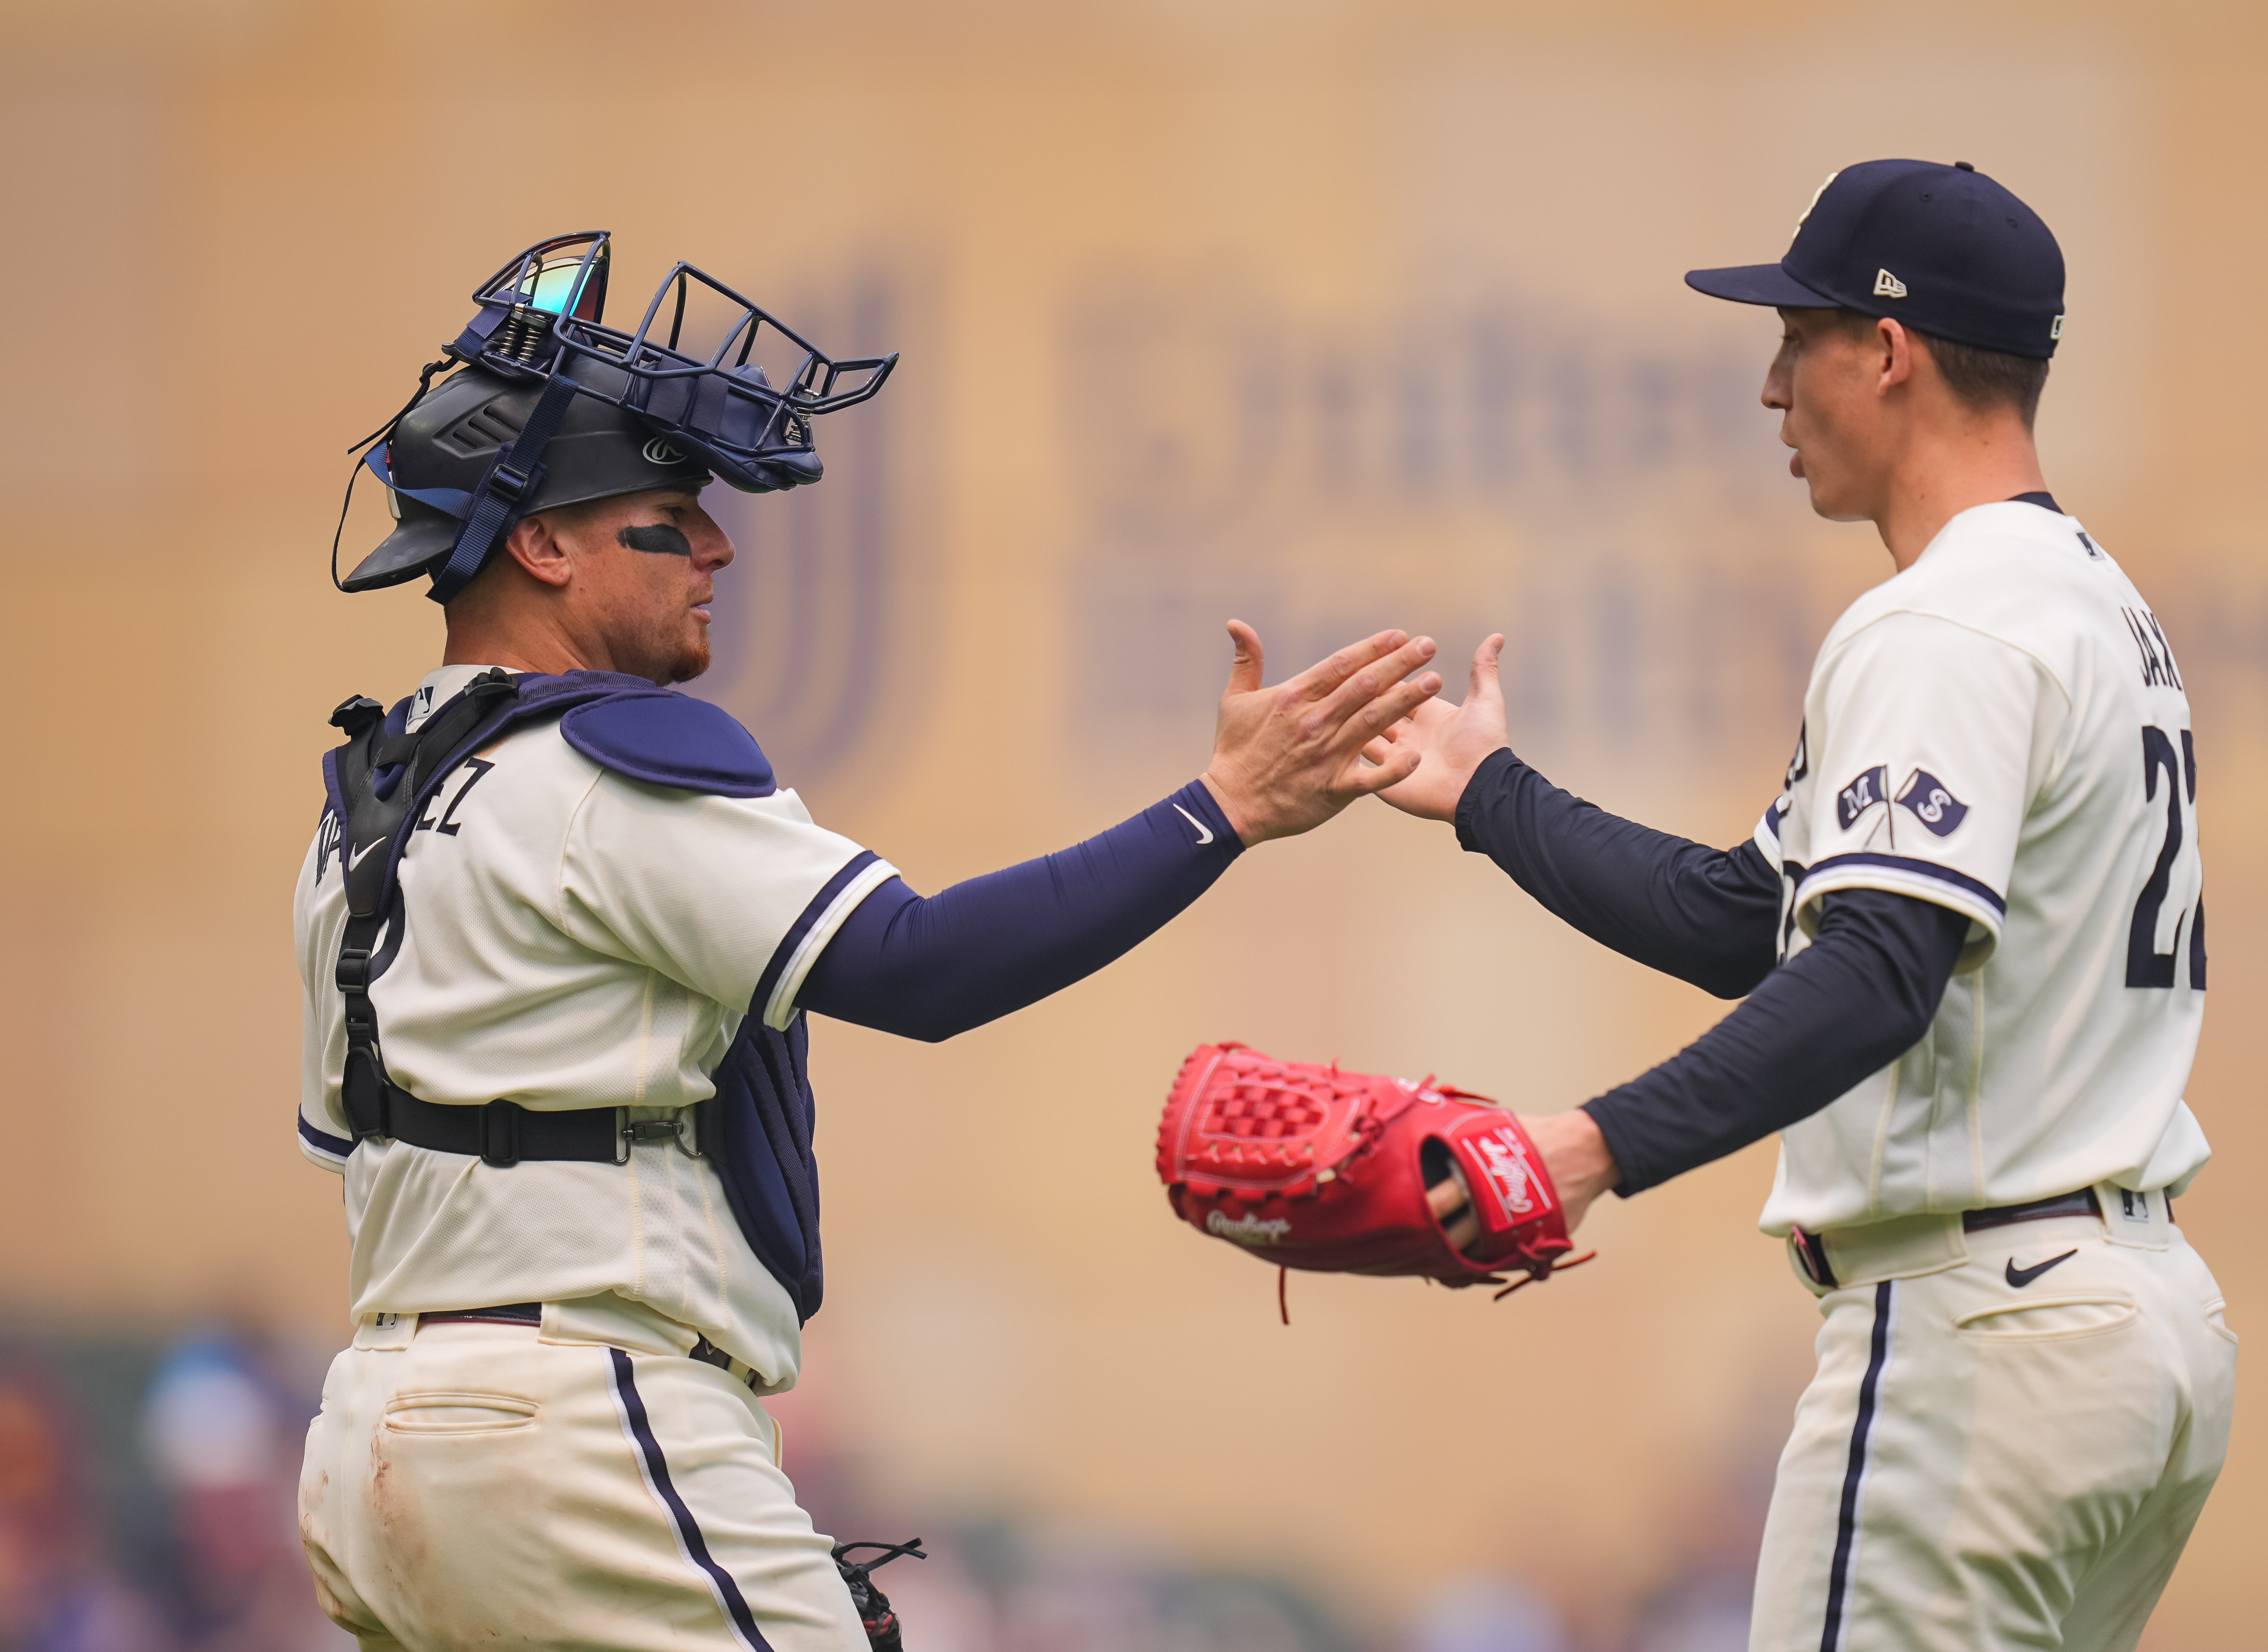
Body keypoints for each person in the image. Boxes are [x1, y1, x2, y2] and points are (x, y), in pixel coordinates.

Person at [292, 234, 1442, 1652]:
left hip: (371, 1440)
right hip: (579, 1428)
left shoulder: (368, 802)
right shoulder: (601, 766)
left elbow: (351, 1138)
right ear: (540, 544)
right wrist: (1227, 810)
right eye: (667, 514)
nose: (715, 546)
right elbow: (918, 966)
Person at [1381, 161, 2234, 1652]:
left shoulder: (1940, 620)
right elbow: (1747, 918)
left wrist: (1589, 1146)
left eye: (1798, 338)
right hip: (2132, 1325)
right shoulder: (2085, 599)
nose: (1773, 386)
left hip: (1982, 1322)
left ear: (1889, 352)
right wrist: (1486, 794)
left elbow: (1876, 973)